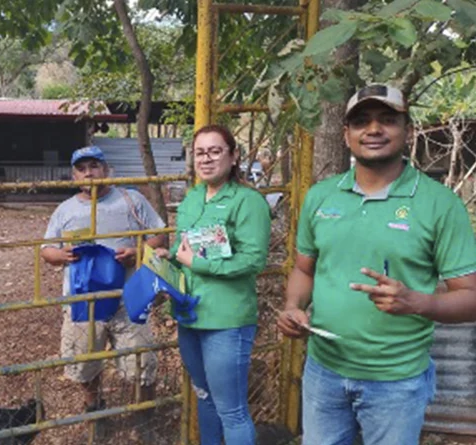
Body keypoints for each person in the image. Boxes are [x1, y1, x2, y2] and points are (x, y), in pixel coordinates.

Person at [277, 84, 476, 445]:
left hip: (396, 382)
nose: (373, 130)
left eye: (387, 120)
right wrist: (293, 308)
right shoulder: (321, 196)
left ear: (408, 131)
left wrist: (419, 302)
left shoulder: (439, 204)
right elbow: (304, 269)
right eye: (361, 122)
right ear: (346, 134)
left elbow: (471, 297)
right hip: (324, 372)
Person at [156, 124, 272, 445]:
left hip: (226, 320)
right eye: (200, 152)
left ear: (233, 156)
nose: (206, 159)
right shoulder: (193, 198)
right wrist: (168, 260)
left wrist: (199, 263)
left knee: (232, 410)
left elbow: (253, 261)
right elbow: (184, 252)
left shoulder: (248, 202)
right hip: (189, 315)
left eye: (215, 151)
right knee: (204, 397)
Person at [41, 145, 166, 413]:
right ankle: (94, 409)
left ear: (106, 169)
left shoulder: (130, 200)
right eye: (82, 169)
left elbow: (160, 235)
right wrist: (61, 255)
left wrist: (138, 251)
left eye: (94, 167)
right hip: (82, 302)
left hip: (128, 298)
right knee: (84, 362)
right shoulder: (65, 210)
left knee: (141, 358)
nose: (89, 174)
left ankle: (144, 415)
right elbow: (46, 251)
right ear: (74, 176)